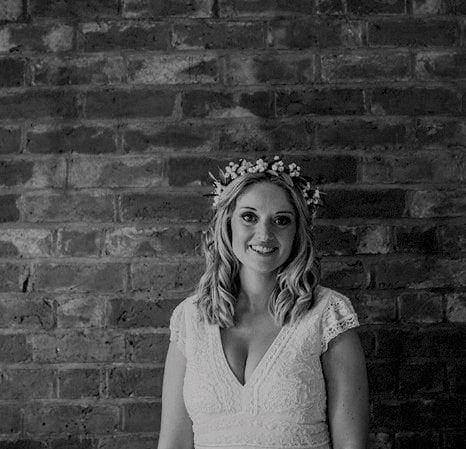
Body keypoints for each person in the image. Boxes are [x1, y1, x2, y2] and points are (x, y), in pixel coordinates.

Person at [157, 156, 369, 449]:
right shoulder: (190, 318)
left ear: (297, 232)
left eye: (281, 220)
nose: (265, 234)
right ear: (227, 223)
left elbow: (351, 445)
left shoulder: (328, 315)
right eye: (249, 217)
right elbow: (173, 443)